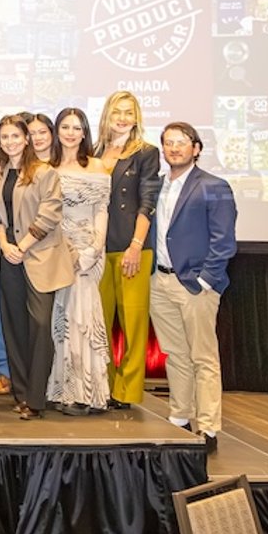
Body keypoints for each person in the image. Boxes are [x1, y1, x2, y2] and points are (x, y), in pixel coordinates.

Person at [150, 122, 238, 453]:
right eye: (168, 143)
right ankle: (180, 418)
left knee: (203, 357)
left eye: (182, 143)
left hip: (195, 285)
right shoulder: (157, 186)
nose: (174, 148)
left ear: (196, 148)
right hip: (160, 282)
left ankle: (209, 427)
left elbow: (224, 240)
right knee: (176, 354)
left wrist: (204, 280)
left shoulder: (214, 186)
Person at [0, 114, 75, 420]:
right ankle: (21, 392)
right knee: (13, 328)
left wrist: (22, 246)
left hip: (38, 257)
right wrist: (4, 245)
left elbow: (50, 214)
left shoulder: (44, 173)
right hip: (9, 257)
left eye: (16, 136)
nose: (10, 142)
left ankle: (36, 398)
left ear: (26, 139)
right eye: (4, 137)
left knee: (39, 326)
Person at [96, 90, 162, 410]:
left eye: (129, 112)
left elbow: (147, 203)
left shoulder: (146, 153)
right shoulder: (94, 152)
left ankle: (127, 391)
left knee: (134, 326)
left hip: (132, 247)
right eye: (117, 111)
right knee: (100, 323)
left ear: (136, 118)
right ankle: (103, 386)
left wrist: (136, 246)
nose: (123, 117)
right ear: (107, 114)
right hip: (98, 250)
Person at [44, 107, 111, 416]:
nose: (70, 133)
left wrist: (93, 249)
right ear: (57, 131)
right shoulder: (47, 167)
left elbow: (101, 210)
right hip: (58, 252)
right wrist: (65, 250)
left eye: (76, 127)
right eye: (65, 127)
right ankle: (63, 390)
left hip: (88, 252)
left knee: (84, 318)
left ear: (85, 132)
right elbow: (46, 214)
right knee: (62, 320)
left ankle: (88, 393)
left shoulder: (98, 166)